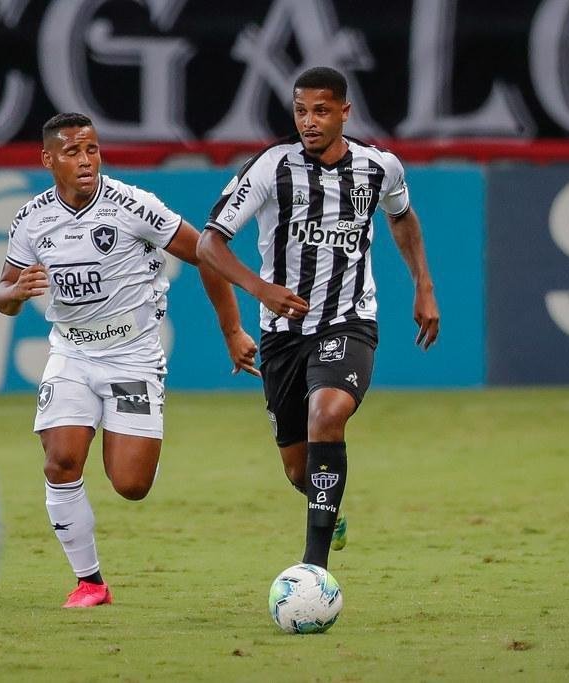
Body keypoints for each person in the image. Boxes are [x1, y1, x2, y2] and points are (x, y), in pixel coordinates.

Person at [0, 112, 257, 608]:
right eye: (72, 151)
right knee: (61, 461)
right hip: (70, 351)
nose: (86, 159)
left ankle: (140, 440)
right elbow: (2, 294)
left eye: (91, 148)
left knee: (130, 485)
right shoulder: (31, 219)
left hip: (132, 357)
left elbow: (207, 252)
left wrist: (232, 331)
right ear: (48, 159)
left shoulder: (133, 205)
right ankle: (90, 582)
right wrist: (13, 291)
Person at [197, 66, 441, 570]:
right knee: (296, 468)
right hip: (282, 336)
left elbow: (402, 217)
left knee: (327, 414)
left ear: (345, 112)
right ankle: (326, 506)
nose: (309, 121)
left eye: (322, 111)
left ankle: (314, 568)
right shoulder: (269, 168)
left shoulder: (380, 168)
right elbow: (209, 243)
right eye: (301, 111)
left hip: (348, 321)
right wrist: (260, 289)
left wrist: (423, 284)